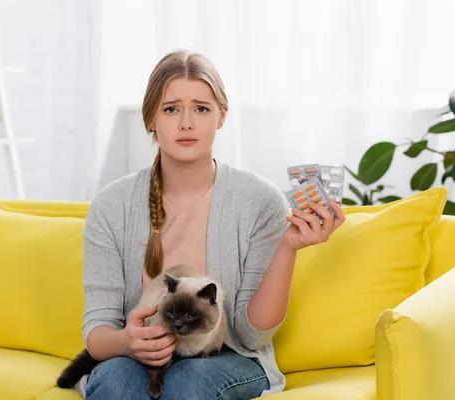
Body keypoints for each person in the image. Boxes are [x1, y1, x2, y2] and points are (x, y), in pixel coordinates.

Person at [76, 49, 346, 400]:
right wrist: (127, 342)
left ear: (221, 116)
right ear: (151, 118)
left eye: (201, 108)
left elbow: (252, 336)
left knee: (188, 381)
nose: (186, 123)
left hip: (227, 359)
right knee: (115, 381)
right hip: (135, 357)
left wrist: (288, 247)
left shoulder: (259, 200)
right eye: (171, 108)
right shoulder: (112, 206)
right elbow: (97, 332)